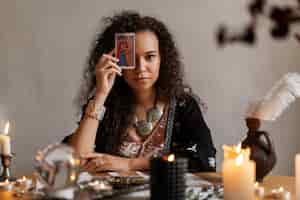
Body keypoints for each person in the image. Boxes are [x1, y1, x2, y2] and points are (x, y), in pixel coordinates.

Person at [63, 10, 216, 173]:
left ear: (162, 59)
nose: (141, 68)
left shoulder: (183, 105)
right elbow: (76, 161)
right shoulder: (107, 105)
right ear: (116, 60)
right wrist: (101, 94)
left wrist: (130, 164)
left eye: (150, 57)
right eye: (131, 59)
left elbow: (204, 160)